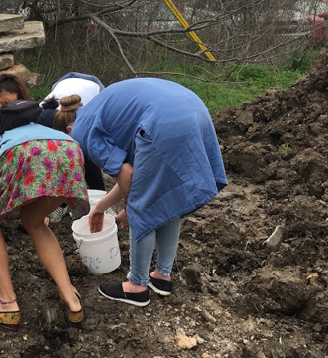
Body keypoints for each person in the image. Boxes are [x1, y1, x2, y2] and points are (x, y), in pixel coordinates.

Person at [55, 78, 227, 306]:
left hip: (163, 121)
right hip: (192, 109)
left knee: (141, 205)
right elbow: (134, 174)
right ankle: (162, 276)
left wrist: (129, 207)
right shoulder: (99, 113)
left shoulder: (82, 131)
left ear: (69, 130)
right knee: (167, 195)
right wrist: (101, 207)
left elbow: (125, 174)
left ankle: (136, 286)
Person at [0, 113, 89, 329]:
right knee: (34, 221)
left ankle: (6, 305)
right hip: (68, 149)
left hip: (25, 152)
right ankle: (71, 299)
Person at [37, 72, 107, 221]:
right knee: (58, 161)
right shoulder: (44, 118)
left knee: (88, 157)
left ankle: (102, 202)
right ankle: (59, 205)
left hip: (83, 107)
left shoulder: (94, 108)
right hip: (56, 112)